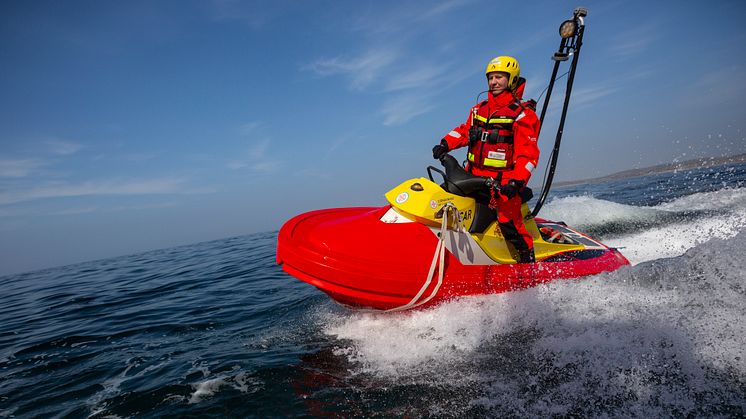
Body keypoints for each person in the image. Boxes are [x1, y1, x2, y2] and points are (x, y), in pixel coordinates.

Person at [432, 56, 540, 263]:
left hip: (502, 184)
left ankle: (527, 260)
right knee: (442, 199)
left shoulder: (523, 115)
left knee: (509, 222)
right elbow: (464, 131)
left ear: (512, 79)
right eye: (490, 77)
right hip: (472, 177)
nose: (493, 82)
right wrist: (445, 143)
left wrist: (516, 182)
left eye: (499, 77)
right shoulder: (478, 110)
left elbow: (528, 155)